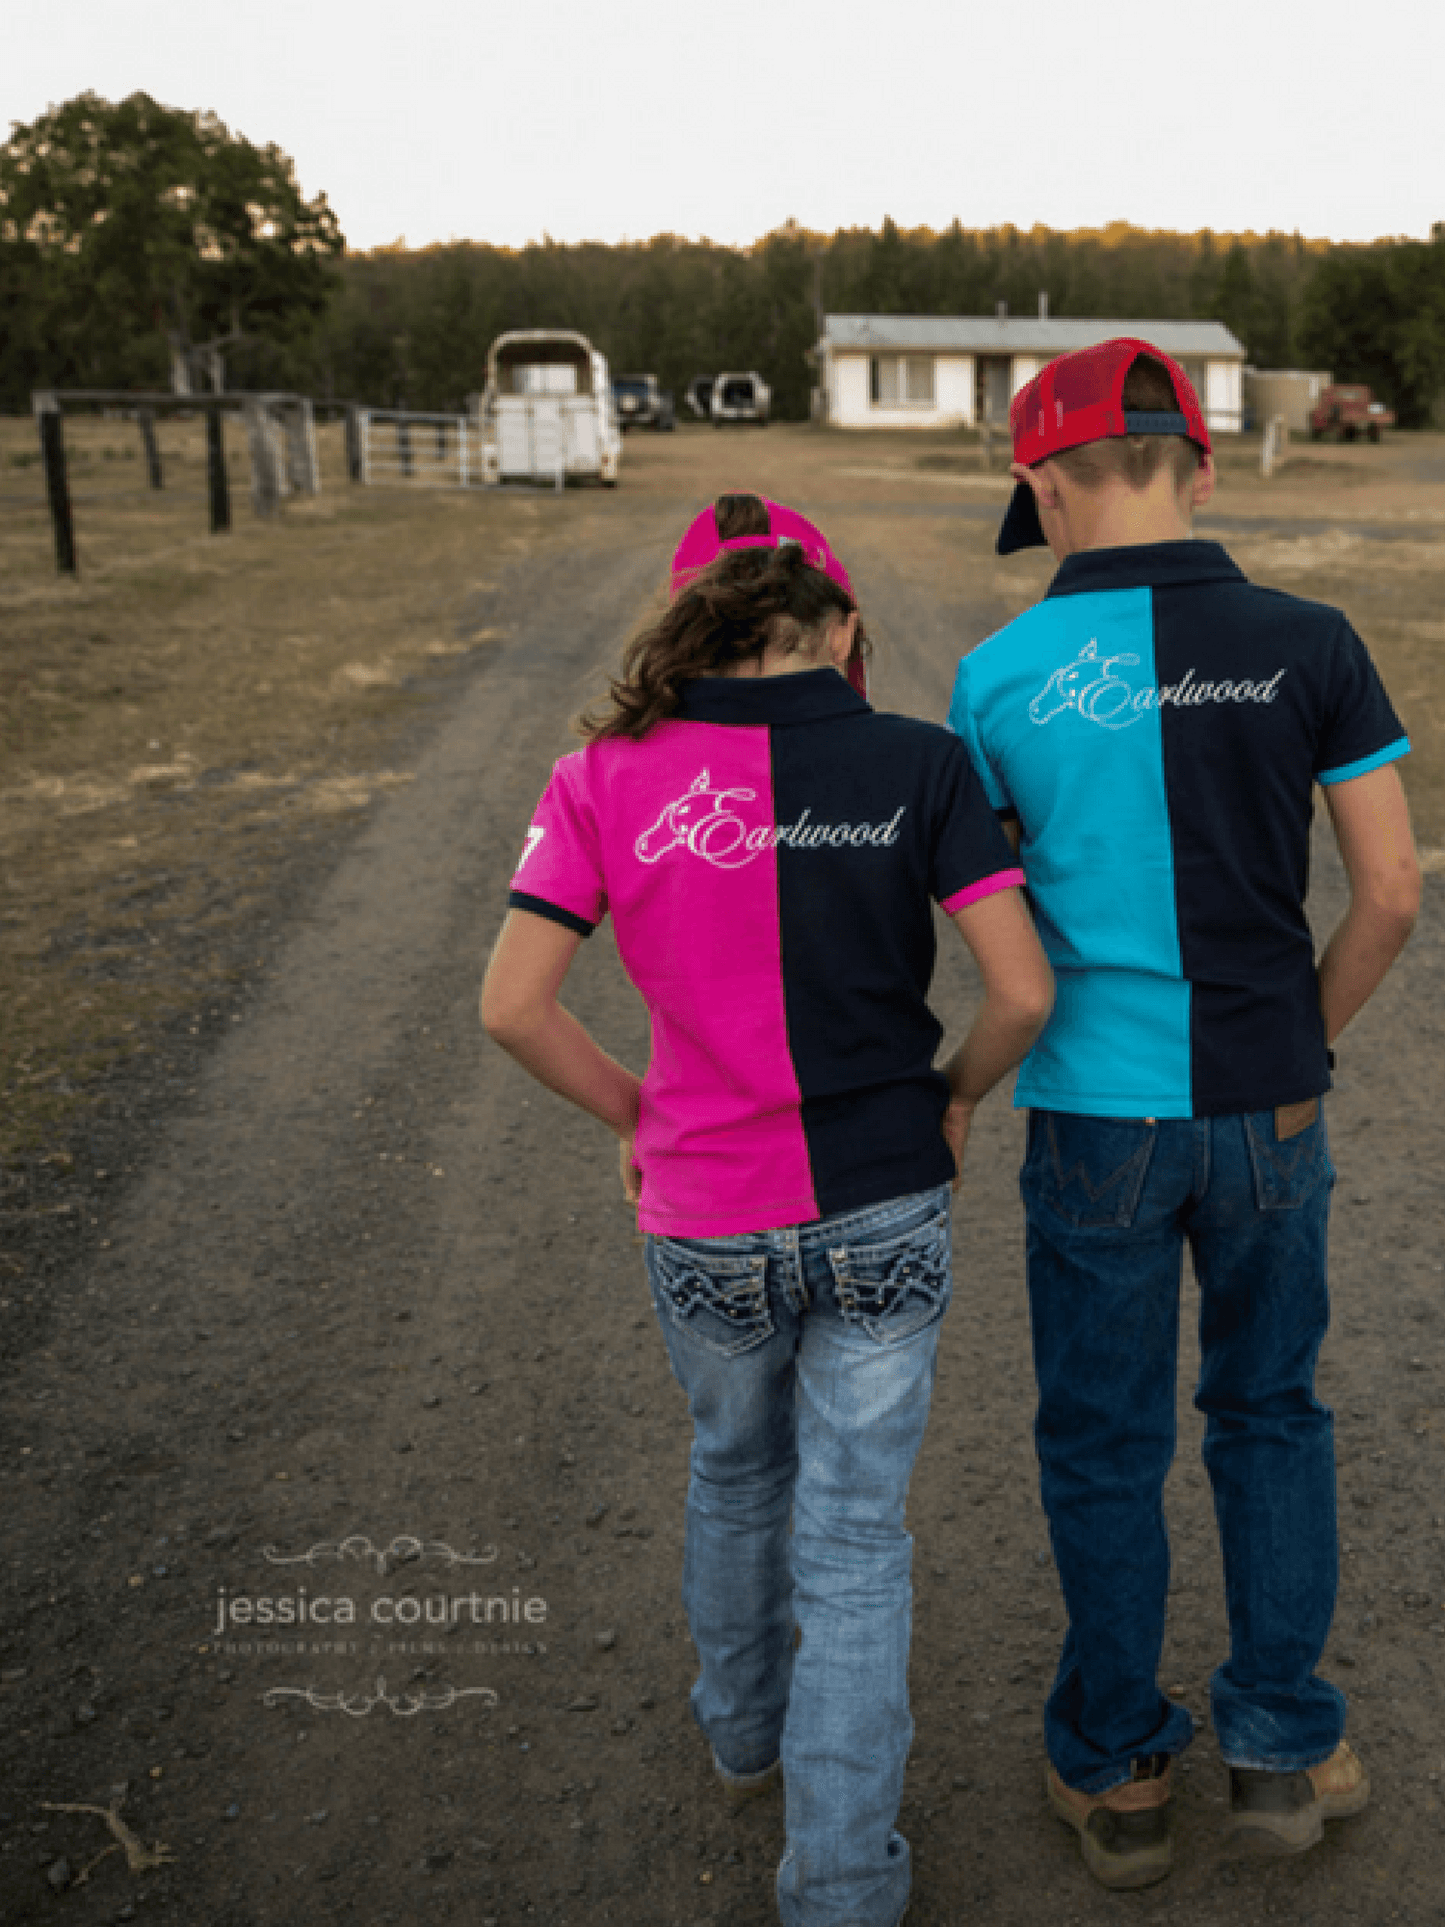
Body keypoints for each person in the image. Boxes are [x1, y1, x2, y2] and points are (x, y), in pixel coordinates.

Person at [481, 492, 1054, 1927]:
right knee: (857, 1538)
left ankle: (744, 1734)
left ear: (689, 620)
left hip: (704, 1214)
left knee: (736, 1471)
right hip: (883, 1200)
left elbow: (510, 1006)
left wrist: (633, 1110)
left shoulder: (599, 776)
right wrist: (958, 1094)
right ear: (845, 621)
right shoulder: (921, 764)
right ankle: (844, 1884)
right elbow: (1025, 990)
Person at [946, 339, 1421, 1890]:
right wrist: (1299, 1044)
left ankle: (1122, 1768)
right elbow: (1393, 893)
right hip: (1268, 1106)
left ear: (1044, 485)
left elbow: (994, 937)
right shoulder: (1314, 638)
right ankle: (1283, 1744)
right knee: (1271, 1411)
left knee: (1102, 1438)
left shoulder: (998, 676)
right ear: (1201, 465)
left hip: (1095, 1118)